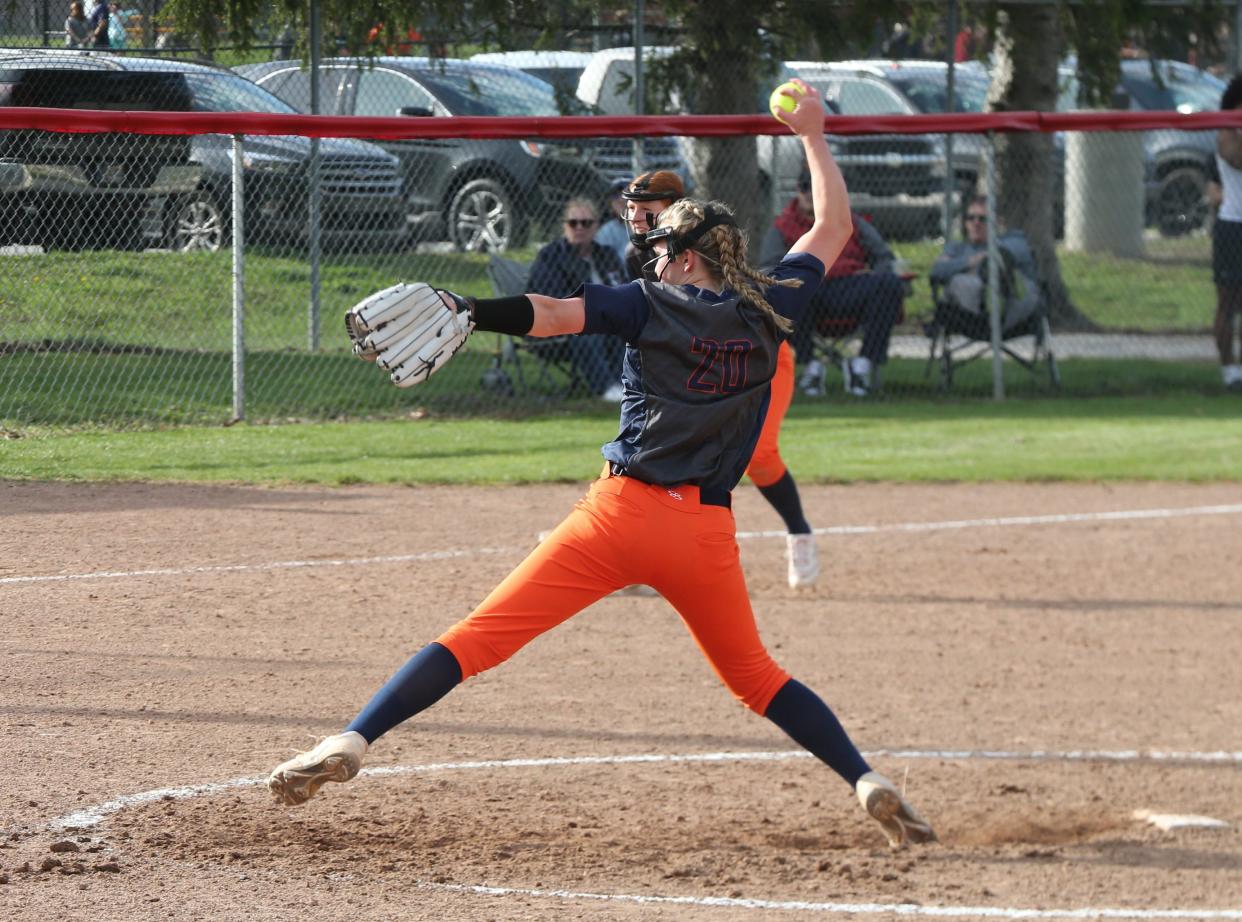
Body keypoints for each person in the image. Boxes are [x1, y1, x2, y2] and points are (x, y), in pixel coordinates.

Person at [266, 79, 937, 851]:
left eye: (659, 250)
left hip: (620, 518)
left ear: (685, 258)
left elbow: (550, 316)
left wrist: (473, 310)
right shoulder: (768, 303)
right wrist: (814, 133)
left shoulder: (649, 303)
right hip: (705, 536)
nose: (649, 259)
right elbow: (833, 224)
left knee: (478, 637)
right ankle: (862, 777)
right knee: (757, 678)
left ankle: (353, 740)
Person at [760, 168, 905, 398]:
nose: (809, 194)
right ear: (798, 190)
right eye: (805, 187)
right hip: (807, 294)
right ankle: (810, 367)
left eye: (815, 189)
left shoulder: (847, 221)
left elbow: (884, 256)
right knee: (790, 289)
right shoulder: (783, 226)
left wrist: (873, 273)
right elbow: (768, 267)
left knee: (889, 284)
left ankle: (862, 366)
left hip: (847, 286)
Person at [526, 197, 627, 401]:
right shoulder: (550, 256)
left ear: (596, 226)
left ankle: (625, 385)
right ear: (565, 226)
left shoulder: (606, 255)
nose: (579, 228)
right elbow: (553, 300)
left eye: (586, 223)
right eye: (573, 223)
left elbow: (623, 290)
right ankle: (606, 389)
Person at [929, 195, 1041, 340]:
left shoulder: (1012, 241)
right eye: (971, 218)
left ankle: (995, 289)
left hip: (1011, 316)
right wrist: (970, 262)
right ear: (965, 223)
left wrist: (990, 257)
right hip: (973, 318)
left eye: (982, 219)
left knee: (1008, 270)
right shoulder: (956, 249)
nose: (976, 223)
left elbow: (1013, 253)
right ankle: (988, 296)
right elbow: (937, 271)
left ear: (996, 223)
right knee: (961, 282)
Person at [1209, 74, 1242, 393]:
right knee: (1227, 304)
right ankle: (1230, 372)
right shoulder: (1226, 135)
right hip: (1233, 228)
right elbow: (1237, 159)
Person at [621, 169, 685, 281]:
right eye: (631, 208)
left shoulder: (696, 249)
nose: (634, 218)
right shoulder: (634, 253)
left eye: (646, 209)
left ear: (672, 210)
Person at [595, 178, 631, 269]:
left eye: (625, 194)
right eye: (615, 195)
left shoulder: (651, 225)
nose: (620, 199)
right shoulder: (606, 232)